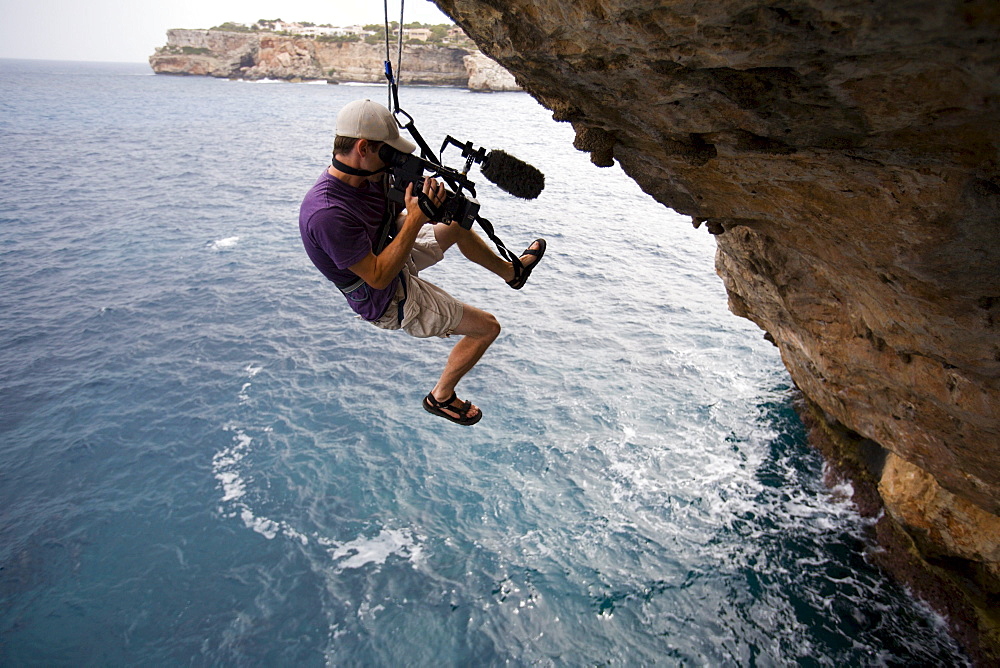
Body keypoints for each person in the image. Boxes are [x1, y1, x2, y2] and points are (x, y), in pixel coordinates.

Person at [299, 99, 545, 426]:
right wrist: (418, 217)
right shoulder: (327, 214)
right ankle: (440, 397)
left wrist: (426, 206)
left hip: (387, 251)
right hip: (385, 295)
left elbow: (391, 219)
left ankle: (513, 273)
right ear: (363, 147)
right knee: (487, 328)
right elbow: (378, 276)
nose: (394, 163)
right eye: (388, 153)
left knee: (457, 223)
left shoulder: (368, 177)